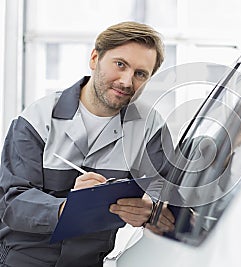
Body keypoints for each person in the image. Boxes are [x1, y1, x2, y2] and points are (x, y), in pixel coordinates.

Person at [0, 21, 174, 266]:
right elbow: (11, 202)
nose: (126, 81)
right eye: (120, 64)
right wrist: (67, 208)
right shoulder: (37, 118)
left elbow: (174, 192)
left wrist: (152, 210)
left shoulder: (150, 126)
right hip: (23, 260)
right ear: (94, 59)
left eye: (140, 74)